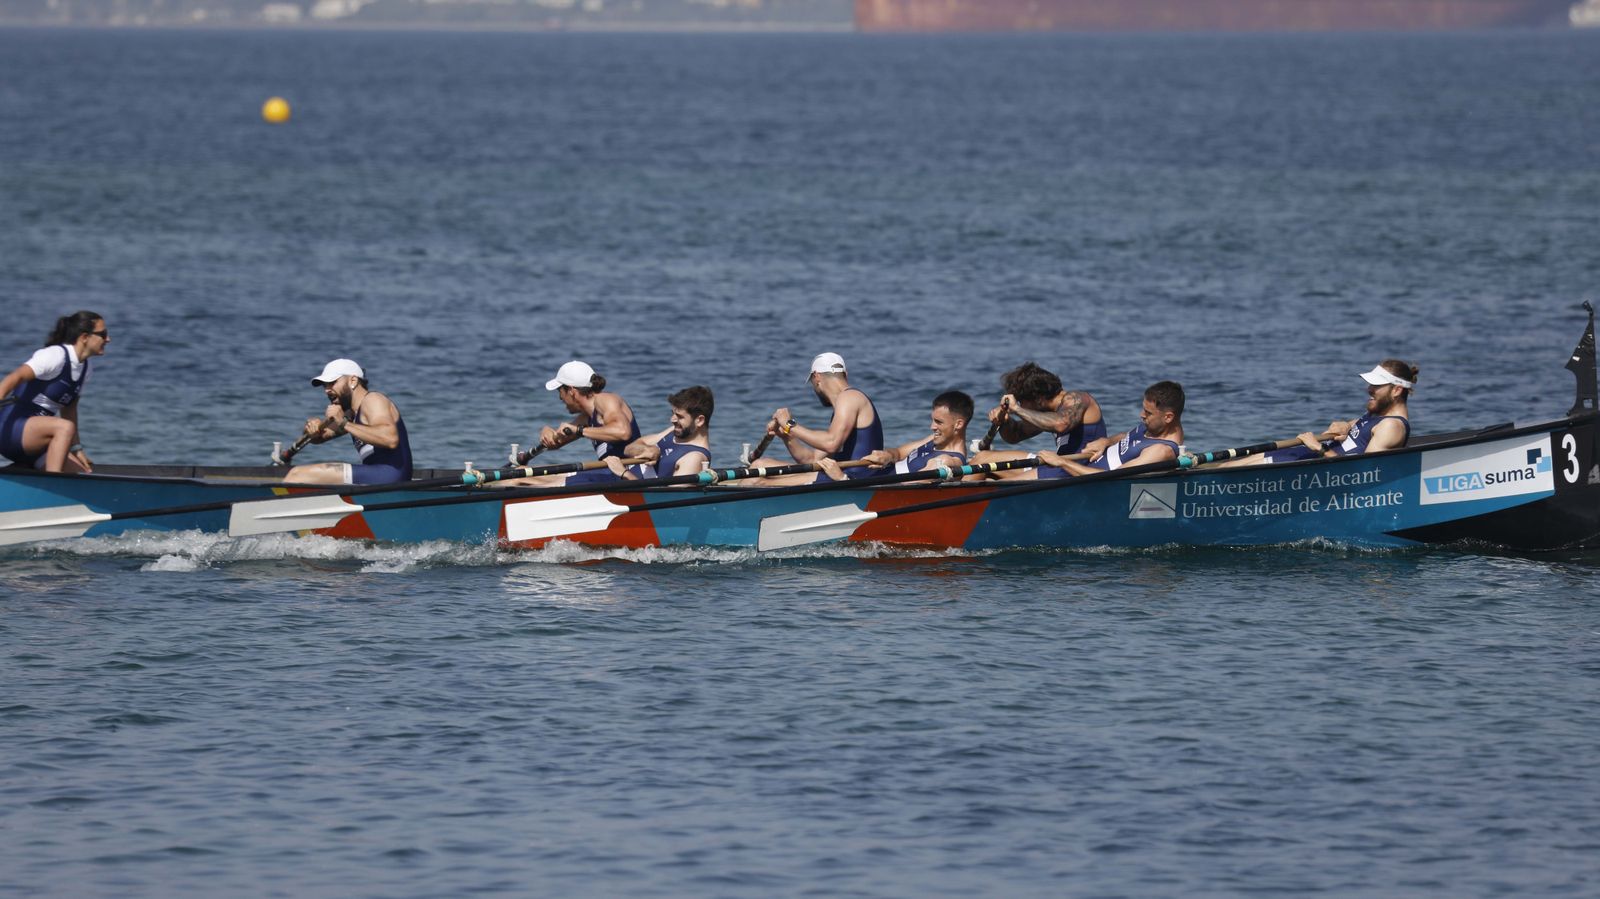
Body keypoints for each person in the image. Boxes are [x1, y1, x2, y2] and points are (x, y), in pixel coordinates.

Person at [1225, 360, 1416, 466]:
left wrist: (1319, 447)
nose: (1369, 389)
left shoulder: (1392, 426)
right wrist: (1347, 425)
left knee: (1233, 468)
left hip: (1318, 467)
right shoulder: (1379, 416)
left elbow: (1363, 471)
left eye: (1376, 385)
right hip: (1311, 456)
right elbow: (1361, 427)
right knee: (1231, 464)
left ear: (1397, 390)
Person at [740, 352, 884, 486]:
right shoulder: (844, 407)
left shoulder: (850, 397)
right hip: (837, 473)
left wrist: (790, 424)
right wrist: (786, 435)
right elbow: (812, 459)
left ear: (817, 377)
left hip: (854, 478)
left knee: (754, 481)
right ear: (845, 374)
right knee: (759, 465)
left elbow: (831, 443)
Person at [500, 360, 640, 487]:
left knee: (518, 480)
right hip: (606, 474)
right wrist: (547, 431)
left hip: (625, 476)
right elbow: (556, 442)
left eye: (560, 391)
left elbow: (623, 432)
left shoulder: (606, 400)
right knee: (522, 472)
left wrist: (578, 431)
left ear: (571, 391)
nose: (560, 398)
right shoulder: (587, 417)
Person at [0, 311, 109, 473]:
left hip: (37, 440)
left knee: (82, 474)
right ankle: (52, 483)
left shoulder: (86, 368)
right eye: (103, 334)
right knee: (64, 427)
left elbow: (69, 409)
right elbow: (14, 377)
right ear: (84, 337)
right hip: (11, 428)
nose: (108, 339)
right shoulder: (54, 356)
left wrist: (76, 448)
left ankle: (21, 472)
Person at [968, 361, 1107, 481]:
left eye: (1022, 402)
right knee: (982, 458)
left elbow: (1061, 424)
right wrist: (1005, 421)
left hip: (1077, 469)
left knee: (995, 482)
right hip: (1057, 466)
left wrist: (1016, 408)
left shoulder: (1078, 398)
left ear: (1038, 399)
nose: (1022, 406)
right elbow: (1015, 435)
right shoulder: (1047, 413)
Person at [285, 359, 413, 485]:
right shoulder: (351, 414)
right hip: (376, 475)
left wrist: (344, 423)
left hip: (390, 475)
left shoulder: (373, 400)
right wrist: (311, 429)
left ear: (353, 381)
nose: (327, 390)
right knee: (302, 477)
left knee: (296, 475)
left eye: (332, 382)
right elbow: (319, 438)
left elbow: (390, 439)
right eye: (325, 385)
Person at [1036, 381, 1187, 476]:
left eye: (1148, 413)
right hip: (1081, 465)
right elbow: (1127, 437)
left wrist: (1061, 462)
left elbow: (1110, 479)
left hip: (1081, 478)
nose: (1141, 415)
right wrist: (1106, 441)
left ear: (1168, 417)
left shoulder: (1161, 451)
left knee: (1013, 477)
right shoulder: (1155, 427)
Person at [832, 390, 971, 479]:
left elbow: (909, 488)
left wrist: (842, 479)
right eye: (932, 420)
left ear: (958, 424)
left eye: (938, 422)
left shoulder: (949, 461)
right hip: (873, 476)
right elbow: (898, 452)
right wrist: (887, 456)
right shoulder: (934, 440)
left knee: (811, 479)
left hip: (871, 490)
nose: (932, 427)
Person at [603, 385, 713, 484]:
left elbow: (669, 500)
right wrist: (648, 449)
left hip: (620, 489)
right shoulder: (674, 431)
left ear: (699, 420)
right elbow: (628, 448)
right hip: (610, 476)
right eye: (673, 414)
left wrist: (624, 474)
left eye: (679, 416)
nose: (672, 420)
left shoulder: (694, 458)